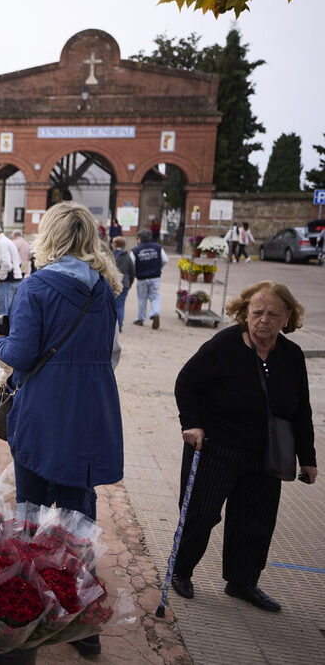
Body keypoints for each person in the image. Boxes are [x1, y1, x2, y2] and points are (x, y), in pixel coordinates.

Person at [0, 201, 123, 657]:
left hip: (45, 409)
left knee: (31, 507)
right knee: (79, 514)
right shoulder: (104, 287)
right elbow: (113, 352)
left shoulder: (37, 285)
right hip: (93, 408)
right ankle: (82, 619)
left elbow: (21, 354)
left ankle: (25, 608)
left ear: (50, 236)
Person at [171, 281, 315, 612]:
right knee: (200, 513)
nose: (263, 319)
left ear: (287, 317)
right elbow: (187, 382)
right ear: (244, 312)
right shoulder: (224, 344)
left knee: (255, 521)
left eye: (273, 314)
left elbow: (301, 410)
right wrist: (190, 423)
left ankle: (242, 582)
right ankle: (180, 571)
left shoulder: (291, 355)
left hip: (265, 454)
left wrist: (308, 458)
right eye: (257, 312)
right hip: (215, 447)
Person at [131, 229, 168, 329]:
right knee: (155, 297)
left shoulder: (135, 250)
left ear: (140, 239)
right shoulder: (158, 247)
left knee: (142, 299)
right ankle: (155, 313)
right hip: (155, 277)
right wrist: (158, 268)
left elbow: (132, 264)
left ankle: (140, 319)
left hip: (142, 278)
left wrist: (135, 273)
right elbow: (165, 260)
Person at [112, 236, 134, 332]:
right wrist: (130, 283)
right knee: (120, 305)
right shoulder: (127, 257)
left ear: (115, 245)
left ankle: (112, 324)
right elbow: (132, 271)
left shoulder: (111, 255)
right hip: (125, 283)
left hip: (112, 283)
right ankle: (119, 325)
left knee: (111, 305)